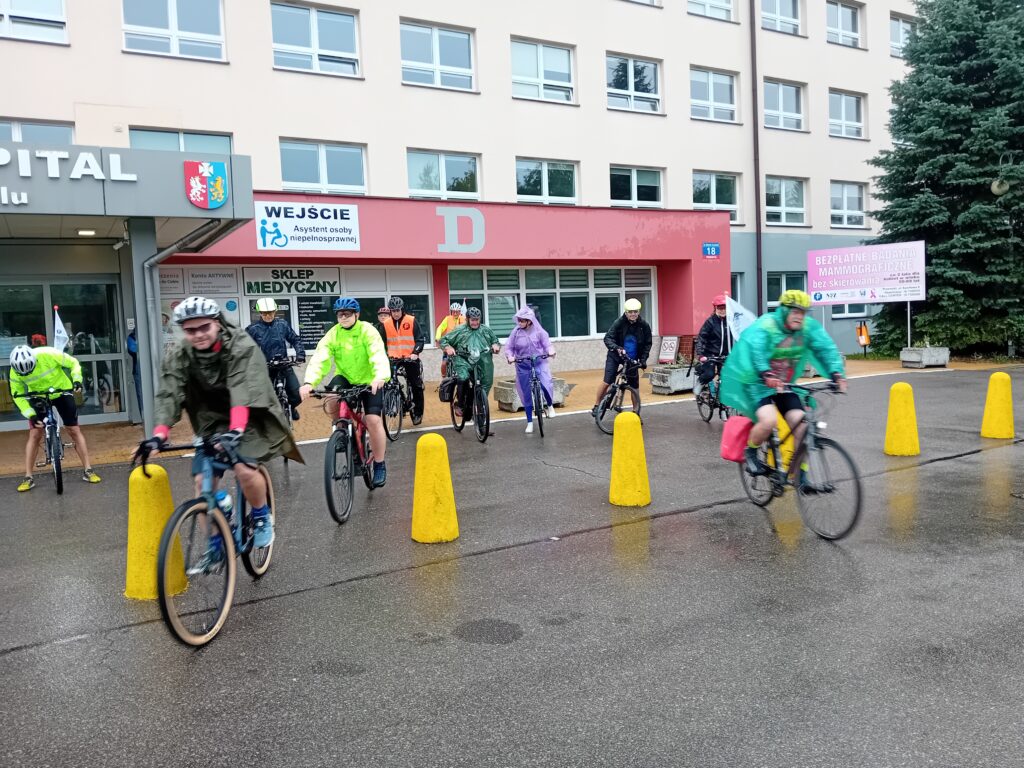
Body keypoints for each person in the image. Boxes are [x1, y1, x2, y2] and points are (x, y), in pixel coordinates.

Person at [140, 296, 302, 556]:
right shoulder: (180, 354)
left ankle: (261, 514)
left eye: (204, 327)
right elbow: (169, 392)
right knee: (202, 483)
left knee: (243, 468)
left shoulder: (240, 345)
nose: (198, 335)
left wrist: (235, 431)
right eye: (190, 330)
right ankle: (216, 543)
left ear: (217, 323)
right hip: (210, 419)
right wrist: (159, 435)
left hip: (248, 413)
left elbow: (241, 389)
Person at [719, 289, 847, 483]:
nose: (799, 316)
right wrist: (766, 373)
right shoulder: (767, 325)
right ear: (785, 310)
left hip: (784, 385)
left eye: (803, 312)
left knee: (802, 426)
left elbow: (825, 348)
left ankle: (800, 476)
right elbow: (757, 349)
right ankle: (751, 451)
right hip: (758, 383)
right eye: (795, 311)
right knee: (769, 420)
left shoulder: (807, 328)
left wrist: (836, 374)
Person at [299, 298, 391, 487]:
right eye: (340, 314)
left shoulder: (367, 330)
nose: (343, 317)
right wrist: (309, 382)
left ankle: (379, 464)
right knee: (331, 396)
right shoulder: (333, 334)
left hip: (370, 380)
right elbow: (320, 358)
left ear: (357, 314)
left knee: (373, 420)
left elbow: (377, 354)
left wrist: (380, 376)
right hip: (346, 377)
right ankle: (341, 430)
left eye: (347, 313)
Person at [9, 345, 101, 491]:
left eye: (30, 369)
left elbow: (73, 363)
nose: (27, 373)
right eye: (24, 373)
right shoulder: (14, 371)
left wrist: (76, 380)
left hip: (61, 391)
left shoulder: (48, 354)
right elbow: (17, 395)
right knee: (35, 433)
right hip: (38, 396)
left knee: (74, 430)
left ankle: (88, 470)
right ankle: (28, 477)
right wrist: (31, 414)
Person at [245, 297, 306, 421]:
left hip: (284, 365)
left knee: (297, 395)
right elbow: (245, 347)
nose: (268, 316)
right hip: (265, 367)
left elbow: (295, 339)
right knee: (263, 399)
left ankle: (291, 408)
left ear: (275, 311)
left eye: (271, 312)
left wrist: (300, 354)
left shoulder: (282, 324)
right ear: (260, 313)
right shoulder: (253, 329)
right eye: (265, 313)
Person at [592, 298, 652, 416]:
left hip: (632, 358)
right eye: (630, 312)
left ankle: (636, 413)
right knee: (607, 381)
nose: (633, 314)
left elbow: (647, 344)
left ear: (638, 312)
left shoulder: (644, 325)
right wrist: (617, 348)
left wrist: (643, 360)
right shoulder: (619, 322)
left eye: (635, 311)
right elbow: (608, 338)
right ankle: (596, 405)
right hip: (615, 355)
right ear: (626, 312)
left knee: (634, 387)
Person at [440, 307, 500, 423]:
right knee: (463, 377)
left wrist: (495, 346)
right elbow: (444, 340)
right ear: (467, 319)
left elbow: (495, 340)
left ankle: (480, 412)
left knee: (485, 383)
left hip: (481, 360)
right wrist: (448, 348)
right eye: (473, 320)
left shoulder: (486, 330)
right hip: (463, 359)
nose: (475, 322)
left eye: (477, 320)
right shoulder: (460, 330)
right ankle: (460, 405)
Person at [502, 306, 556, 434]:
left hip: (539, 362)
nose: (519, 322)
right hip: (522, 364)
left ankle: (549, 405)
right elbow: (509, 347)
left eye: (522, 320)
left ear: (529, 321)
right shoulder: (516, 332)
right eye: (518, 320)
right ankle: (530, 422)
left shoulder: (539, 331)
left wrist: (550, 351)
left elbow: (547, 344)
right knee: (525, 392)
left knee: (546, 383)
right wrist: (510, 357)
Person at [379, 296, 427, 426]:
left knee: (416, 384)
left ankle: (418, 413)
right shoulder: (386, 324)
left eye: (397, 310)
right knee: (388, 382)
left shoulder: (411, 320)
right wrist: (382, 356)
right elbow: (380, 343)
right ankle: (394, 403)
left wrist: (415, 353)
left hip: (410, 358)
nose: (395, 313)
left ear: (402, 309)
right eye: (393, 311)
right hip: (393, 358)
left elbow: (420, 339)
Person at [695, 294, 732, 397]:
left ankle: (721, 393)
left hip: (725, 354)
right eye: (720, 308)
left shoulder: (731, 321)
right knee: (709, 374)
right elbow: (701, 338)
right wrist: (700, 354)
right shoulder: (710, 322)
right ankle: (699, 384)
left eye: (724, 307)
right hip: (710, 354)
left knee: (728, 376)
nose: (722, 310)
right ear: (715, 308)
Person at [435, 302, 466, 377]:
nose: (455, 313)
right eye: (453, 311)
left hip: (460, 344)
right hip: (449, 344)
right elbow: (440, 328)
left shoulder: (464, 319)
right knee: (444, 363)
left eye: (457, 312)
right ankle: (444, 377)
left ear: (460, 312)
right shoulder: (447, 319)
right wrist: (438, 337)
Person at [127, 328, 143, 418]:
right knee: (140, 394)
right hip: (138, 369)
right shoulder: (131, 337)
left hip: (149, 369)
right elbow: (133, 350)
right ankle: (143, 417)